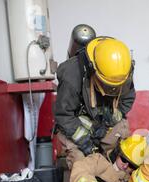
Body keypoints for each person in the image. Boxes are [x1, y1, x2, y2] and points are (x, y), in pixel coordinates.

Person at [54, 36, 135, 169]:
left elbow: (127, 100)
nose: (111, 90)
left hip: (102, 120)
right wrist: (84, 141)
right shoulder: (72, 76)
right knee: (81, 162)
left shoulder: (123, 71)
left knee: (122, 129)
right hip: (76, 123)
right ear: (93, 70)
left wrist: (110, 120)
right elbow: (64, 115)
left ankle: (115, 174)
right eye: (107, 85)